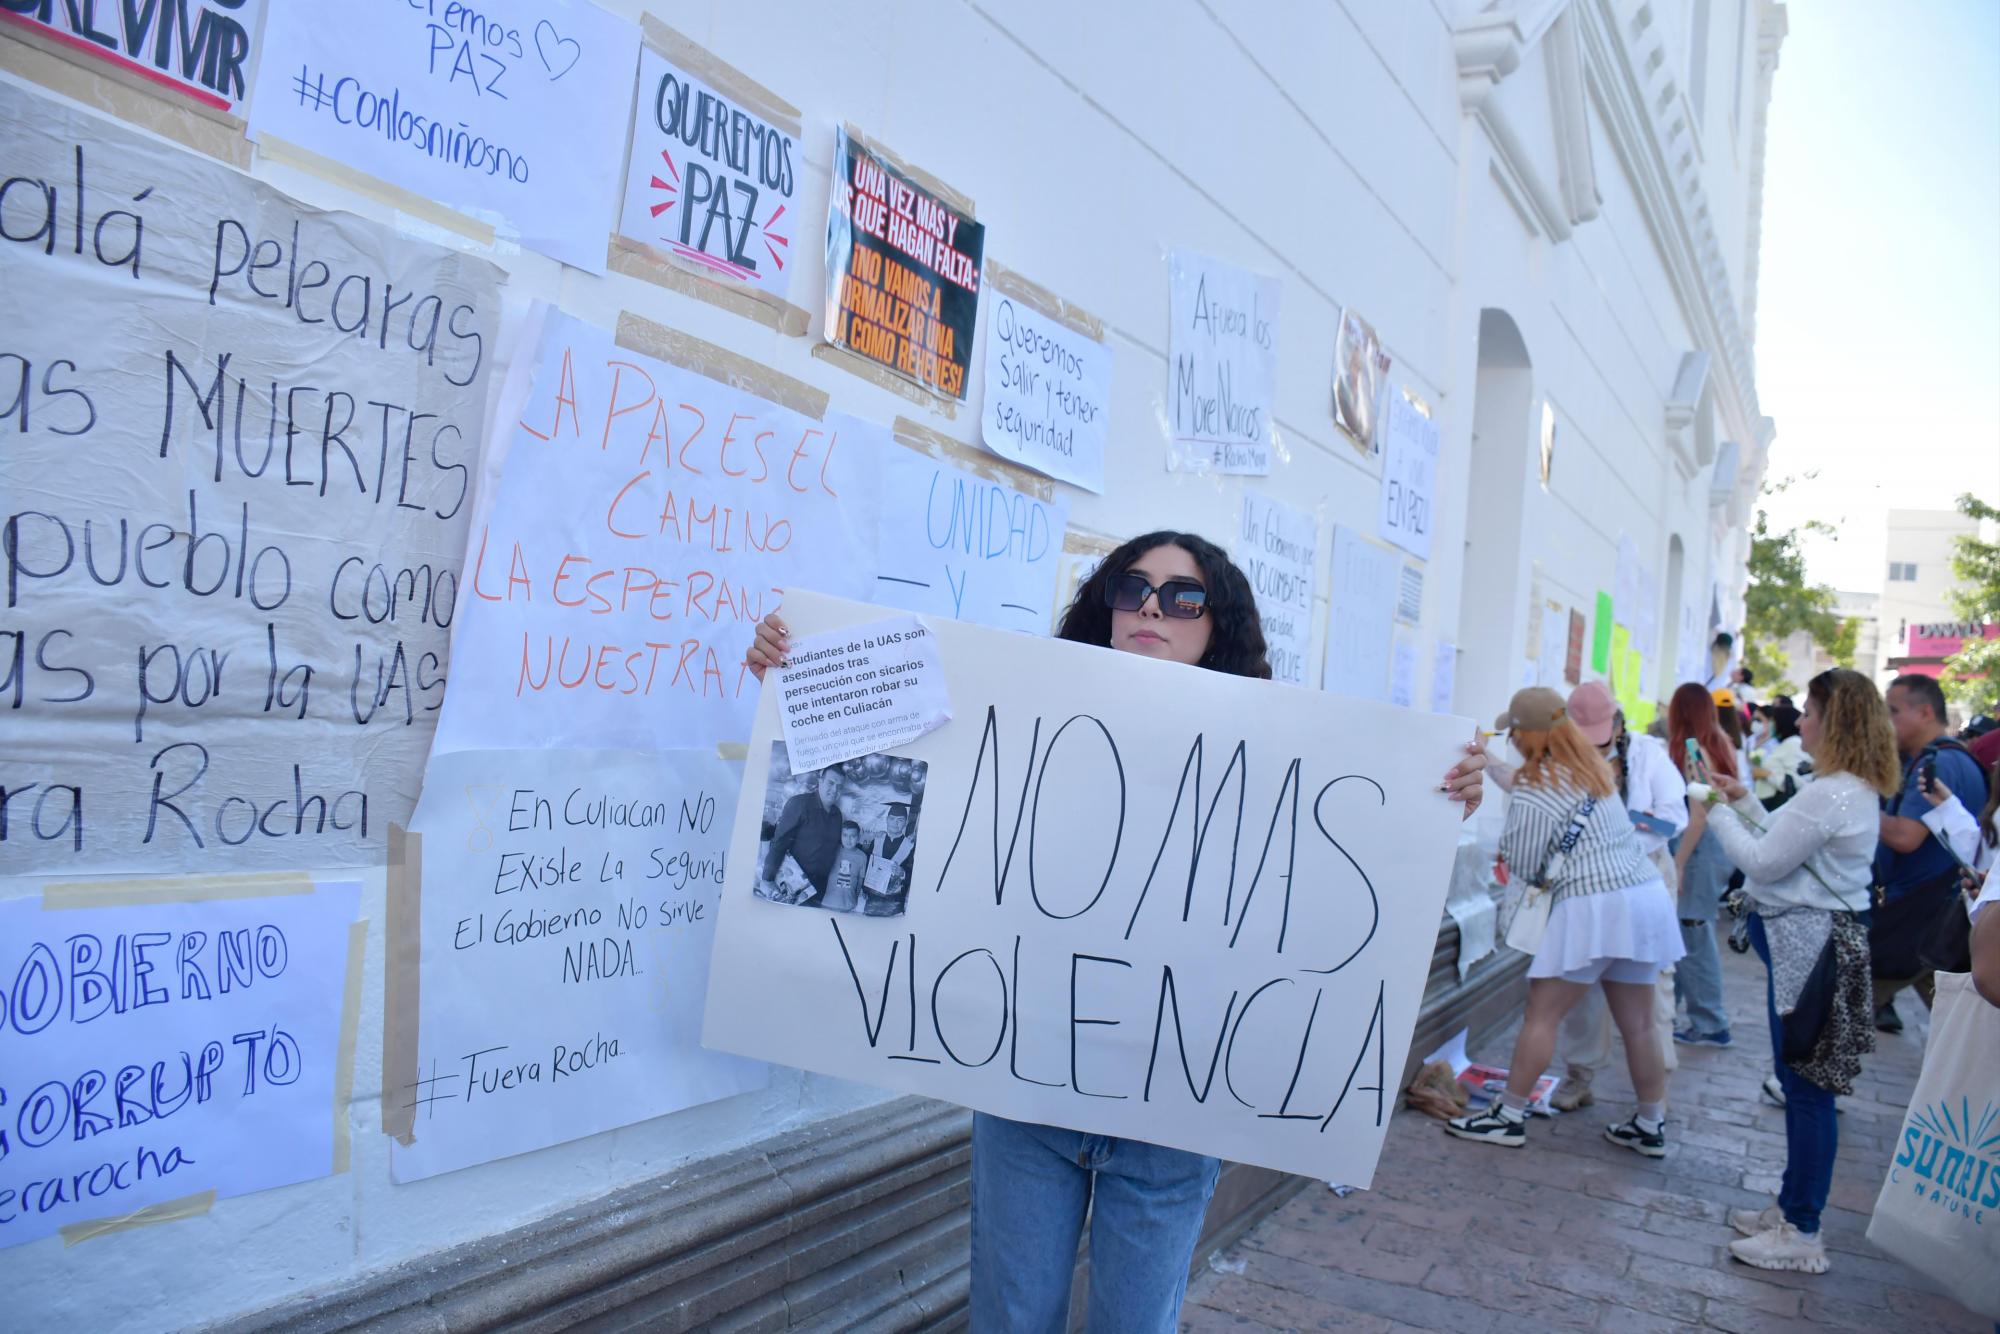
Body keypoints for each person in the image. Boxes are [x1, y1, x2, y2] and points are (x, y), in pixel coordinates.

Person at [745, 531, 1489, 1332]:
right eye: (1131, 587)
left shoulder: (1289, 756)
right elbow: (880, 750)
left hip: (1172, 1114)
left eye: (1183, 597)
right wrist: (798, 673)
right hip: (1025, 1096)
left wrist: (1442, 795)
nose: (1151, 608)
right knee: (1009, 1320)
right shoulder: (1013, 706)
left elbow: (1344, 882)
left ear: (1217, 625)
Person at [1703, 669, 1900, 1275]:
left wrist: (1713, 811)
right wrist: (1742, 799)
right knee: (1800, 1085)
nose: (1801, 720)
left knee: (1808, 1092)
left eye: (1810, 710)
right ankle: (1792, 1209)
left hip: (1809, 952)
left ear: (1833, 720)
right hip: (1806, 949)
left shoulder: (1832, 791)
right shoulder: (1840, 789)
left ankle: (1802, 1230)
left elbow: (1761, 860)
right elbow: (1783, 843)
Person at [1446, 686, 1681, 1155]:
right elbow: (1526, 784)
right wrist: (1486, 758)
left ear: (1525, 736)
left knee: (1542, 1014)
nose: (1510, 741)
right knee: (1639, 1024)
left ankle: (1509, 1115)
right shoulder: (1591, 770)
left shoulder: (1540, 786)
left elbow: (1526, 862)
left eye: (1512, 733)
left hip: (1595, 907)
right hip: (1643, 898)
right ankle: (1651, 1123)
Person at [1541, 686, 1688, 1110]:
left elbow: (1674, 816)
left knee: (1651, 984)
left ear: (1620, 727)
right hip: (1585, 881)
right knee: (1580, 978)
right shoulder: (1559, 755)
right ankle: (1579, 1075)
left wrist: (1624, 827)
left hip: (1645, 877)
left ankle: (1656, 1093)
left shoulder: (1648, 755)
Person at [1872, 674, 1990, 1031]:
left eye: (1893, 711)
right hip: (1937, 914)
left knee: (1840, 1006)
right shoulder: (1955, 760)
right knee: (1957, 1023)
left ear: (1924, 712)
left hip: (1920, 914)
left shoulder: (1935, 763)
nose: (1886, 722)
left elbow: (1906, 837)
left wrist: (1856, 800)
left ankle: (1800, 1084)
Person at [1667, 681, 1741, 1047]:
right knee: (1687, 932)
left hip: (1700, 850)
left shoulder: (1694, 751)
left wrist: (1678, 863)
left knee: (1694, 934)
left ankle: (1711, 1023)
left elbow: (1699, 815)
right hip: (1715, 847)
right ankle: (1675, 1012)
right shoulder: (1720, 742)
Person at [762, 766, 847, 904]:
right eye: (831, 783)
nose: (835, 790)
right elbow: (780, 842)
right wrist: (767, 879)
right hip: (792, 886)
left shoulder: (837, 815)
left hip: (819, 891)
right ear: (820, 781)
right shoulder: (799, 803)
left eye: (839, 786)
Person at [861, 802, 917, 917]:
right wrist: (864, 888)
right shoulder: (877, 840)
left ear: (905, 823)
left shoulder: (910, 846)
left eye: (900, 820)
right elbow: (866, 865)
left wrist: (902, 873)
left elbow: (915, 875)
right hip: (873, 897)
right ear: (887, 820)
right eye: (892, 819)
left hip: (894, 900)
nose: (895, 824)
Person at [1751, 703, 1807, 810]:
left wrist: (1767, 775)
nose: (1772, 724)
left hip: (1778, 804)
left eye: (1774, 721)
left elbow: (1797, 781)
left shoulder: (1793, 743)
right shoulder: (1785, 744)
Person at [822, 820, 868, 912]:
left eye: (853, 836)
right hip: (828, 902)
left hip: (848, 904)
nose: (848, 839)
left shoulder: (862, 856)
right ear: (840, 836)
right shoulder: (834, 850)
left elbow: (860, 879)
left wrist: (856, 896)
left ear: (858, 838)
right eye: (845, 835)